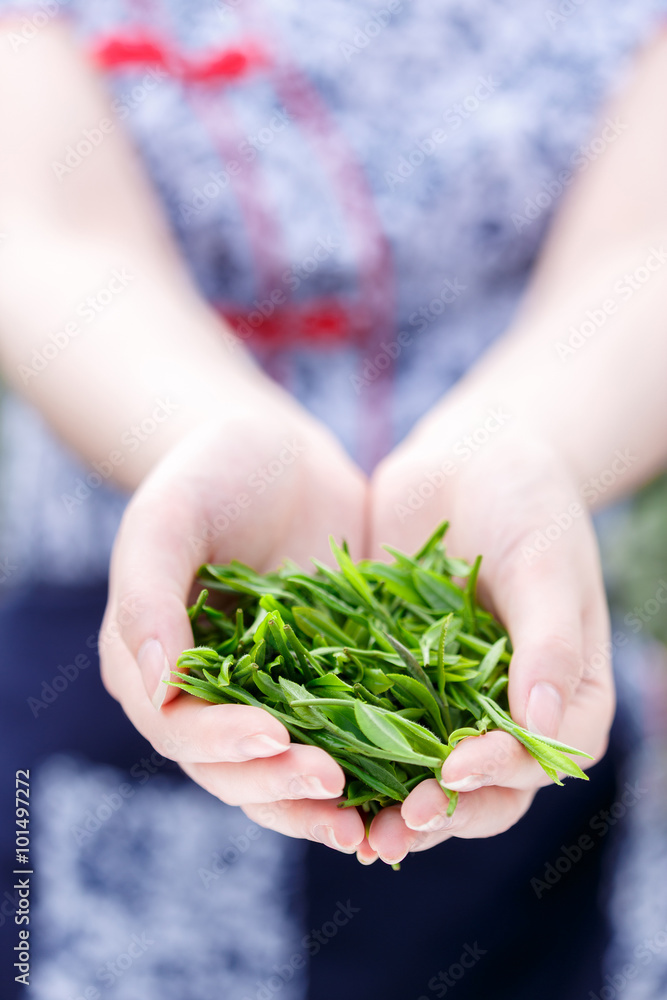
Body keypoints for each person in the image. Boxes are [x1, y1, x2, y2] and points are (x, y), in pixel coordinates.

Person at [1, 2, 667, 997]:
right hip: (138, 607)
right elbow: (49, 229)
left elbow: (639, 254)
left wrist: (522, 450)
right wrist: (202, 435)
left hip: (518, 607)